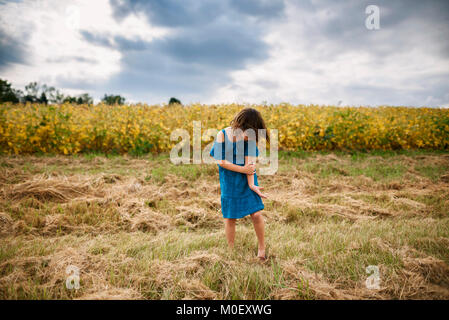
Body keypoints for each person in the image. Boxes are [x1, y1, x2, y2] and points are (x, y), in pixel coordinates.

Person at [210, 108, 269, 261]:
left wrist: (251, 185)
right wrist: (242, 169)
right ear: (238, 124)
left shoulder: (249, 138)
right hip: (229, 181)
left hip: (247, 179)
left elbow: (250, 164)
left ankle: (262, 248)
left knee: (256, 214)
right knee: (230, 217)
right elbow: (220, 161)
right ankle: (230, 251)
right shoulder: (222, 135)